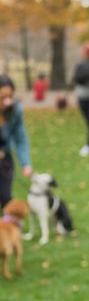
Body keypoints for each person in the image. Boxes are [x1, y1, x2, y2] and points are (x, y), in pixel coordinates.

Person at [0, 74, 33, 207]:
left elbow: (20, 139)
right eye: (3, 97)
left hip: (4, 158)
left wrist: (26, 163)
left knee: (6, 197)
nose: (7, 101)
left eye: (10, 96)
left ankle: (6, 225)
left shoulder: (15, 111)